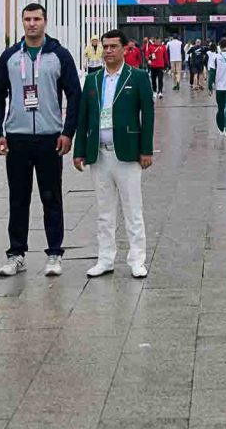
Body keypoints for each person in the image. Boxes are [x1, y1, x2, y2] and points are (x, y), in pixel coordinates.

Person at [0, 3, 81, 278]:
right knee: (18, 198)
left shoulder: (59, 56)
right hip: (17, 137)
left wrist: (68, 132)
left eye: (37, 19)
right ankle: (16, 253)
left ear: (45, 21)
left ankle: (54, 253)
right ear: (22, 22)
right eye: (27, 19)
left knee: (50, 196)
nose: (32, 24)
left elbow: (74, 95)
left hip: (49, 137)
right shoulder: (9, 57)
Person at [73, 30, 154, 279]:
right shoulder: (93, 79)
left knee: (133, 209)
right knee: (104, 211)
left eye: (113, 47)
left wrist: (145, 150)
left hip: (127, 154)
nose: (108, 51)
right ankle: (105, 258)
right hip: (99, 153)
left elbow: (148, 115)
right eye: (105, 47)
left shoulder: (138, 77)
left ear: (124, 48)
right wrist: (79, 151)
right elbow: (84, 116)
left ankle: (137, 259)